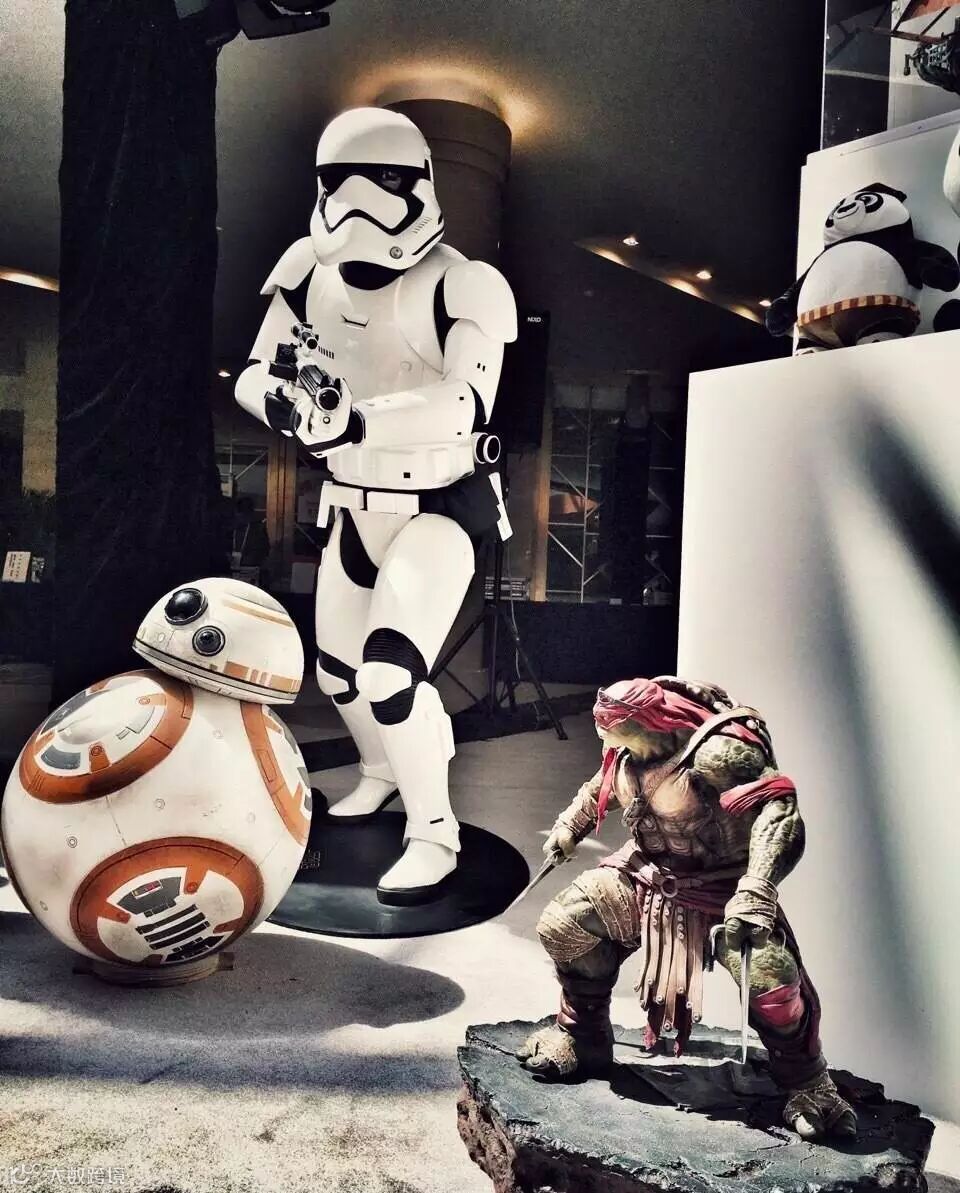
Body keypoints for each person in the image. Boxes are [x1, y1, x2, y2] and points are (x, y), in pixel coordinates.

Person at [234, 107, 517, 902]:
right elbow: (256, 370)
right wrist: (285, 404)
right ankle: (381, 772)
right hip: (352, 505)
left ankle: (435, 833)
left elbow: (466, 402)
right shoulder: (305, 271)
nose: (360, 202)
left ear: (418, 183)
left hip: (437, 507)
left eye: (384, 181)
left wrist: (358, 419)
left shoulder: (462, 283)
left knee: (391, 674)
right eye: (341, 182)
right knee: (338, 672)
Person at [518, 675, 857, 1142]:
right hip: (647, 876)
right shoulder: (626, 751)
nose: (605, 738)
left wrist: (757, 889)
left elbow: (779, 811)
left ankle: (809, 1083)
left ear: (646, 721)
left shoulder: (718, 755)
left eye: (611, 728)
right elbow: (603, 783)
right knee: (565, 923)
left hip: (722, 890)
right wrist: (570, 826)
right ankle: (583, 1033)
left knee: (772, 983)